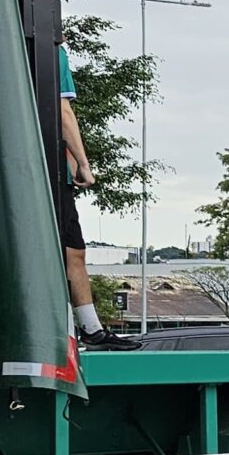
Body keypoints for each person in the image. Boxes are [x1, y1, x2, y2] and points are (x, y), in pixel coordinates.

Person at [52, 41, 138, 350]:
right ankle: (77, 329)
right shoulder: (53, 51)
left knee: (73, 252)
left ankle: (90, 329)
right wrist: (84, 164)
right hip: (46, 172)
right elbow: (63, 112)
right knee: (64, 253)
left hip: (53, 168)